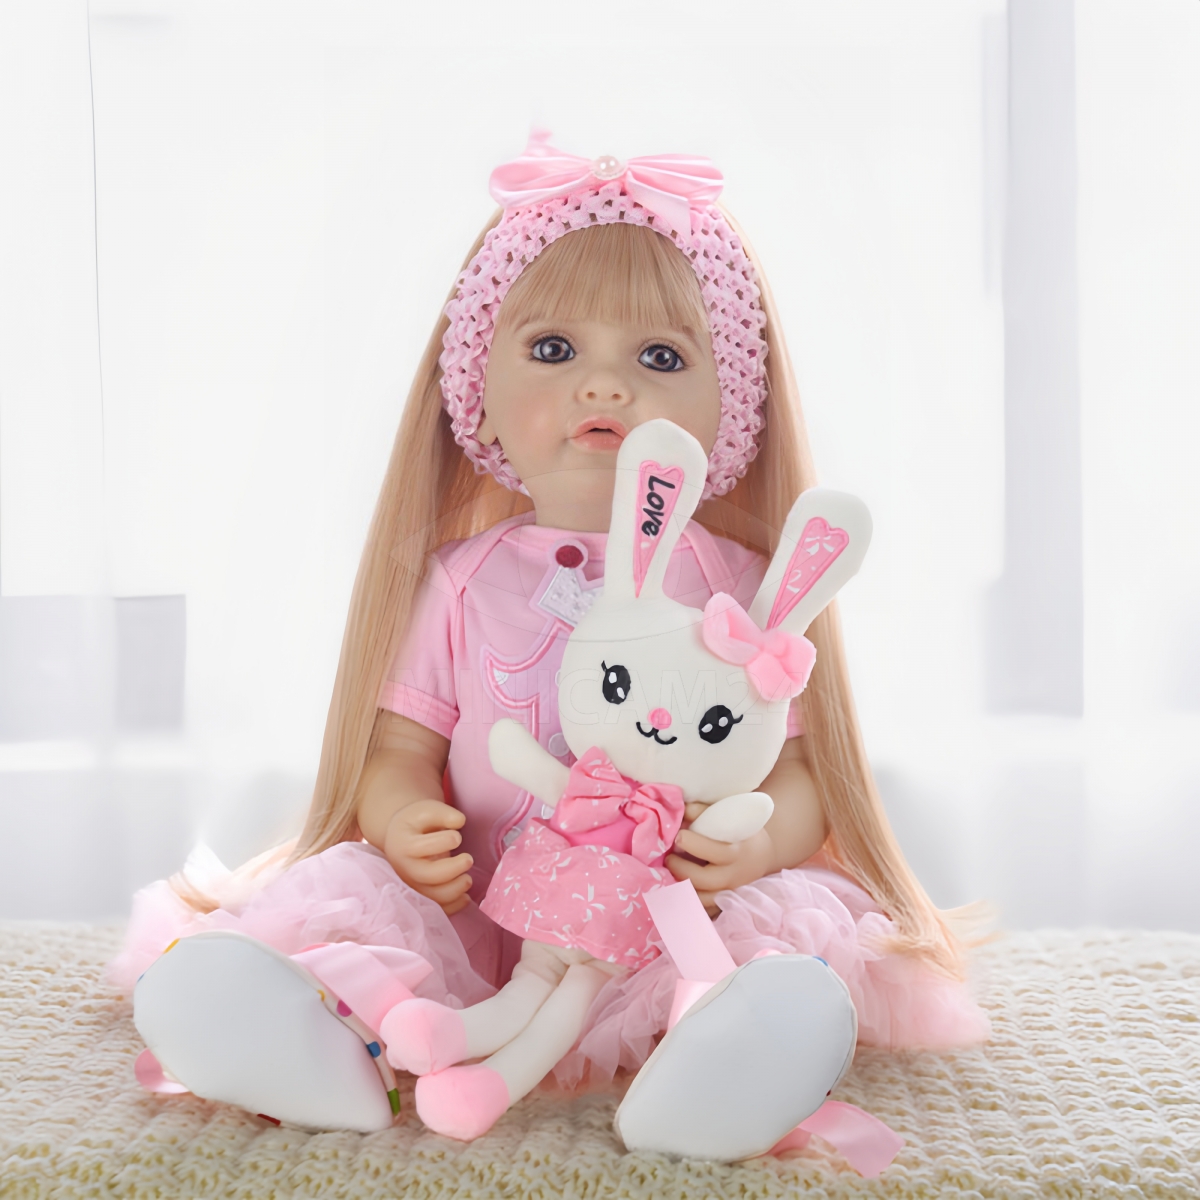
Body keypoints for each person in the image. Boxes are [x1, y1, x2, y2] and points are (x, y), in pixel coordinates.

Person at [112, 132, 989, 1154]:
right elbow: (398, 748)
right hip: (482, 930)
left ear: (732, 407)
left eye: (660, 358)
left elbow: (800, 774)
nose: (604, 387)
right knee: (343, 912)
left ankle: (718, 1064)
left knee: (779, 942)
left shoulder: (739, 587)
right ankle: (302, 1046)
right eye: (554, 350)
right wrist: (403, 820)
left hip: (666, 925)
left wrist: (756, 846)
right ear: (475, 388)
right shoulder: (460, 582)